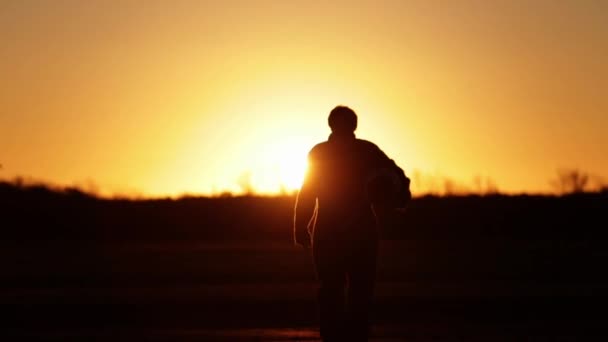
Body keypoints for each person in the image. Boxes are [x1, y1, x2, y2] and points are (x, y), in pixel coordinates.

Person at [293, 105, 410, 341]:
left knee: (335, 289)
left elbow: (307, 191)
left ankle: (336, 336)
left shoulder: (322, 152)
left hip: (333, 231)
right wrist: (399, 198)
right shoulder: (366, 151)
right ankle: (353, 335)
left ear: (330, 124)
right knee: (356, 290)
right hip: (357, 231)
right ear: (353, 125)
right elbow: (397, 176)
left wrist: (301, 226)